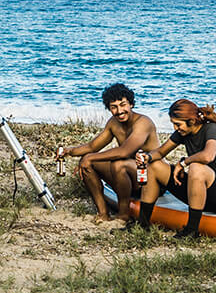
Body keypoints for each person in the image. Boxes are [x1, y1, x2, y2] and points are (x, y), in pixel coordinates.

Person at [134, 98, 216, 238]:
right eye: (173, 124)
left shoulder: (211, 130)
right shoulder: (183, 133)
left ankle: (191, 230)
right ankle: (142, 224)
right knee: (154, 165)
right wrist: (147, 158)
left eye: (177, 124)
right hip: (200, 194)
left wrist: (183, 162)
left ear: (191, 121)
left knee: (196, 167)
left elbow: (207, 156)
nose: (175, 128)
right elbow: (161, 152)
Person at [57, 83, 160, 223]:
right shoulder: (113, 123)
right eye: (114, 107)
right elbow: (92, 146)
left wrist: (91, 157)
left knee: (118, 164)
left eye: (123, 105)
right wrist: (69, 151)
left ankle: (123, 215)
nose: (119, 111)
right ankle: (103, 213)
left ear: (131, 104)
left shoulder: (143, 122)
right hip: (127, 177)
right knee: (87, 162)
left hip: (149, 179)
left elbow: (125, 151)